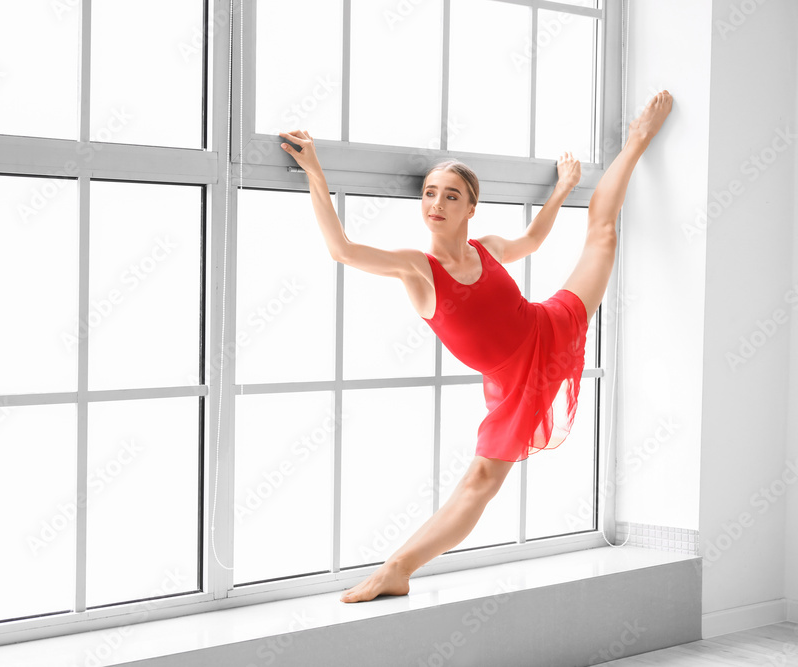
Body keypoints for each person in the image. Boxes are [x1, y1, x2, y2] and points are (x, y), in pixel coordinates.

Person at [278, 90, 673, 604]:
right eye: (428, 193)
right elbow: (342, 249)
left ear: (470, 207)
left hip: (547, 329)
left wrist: (563, 189)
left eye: (450, 196)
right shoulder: (418, 268)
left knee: (603, 234)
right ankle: (396, 568)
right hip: (514, 381)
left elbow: (531, 241)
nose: (436, 204)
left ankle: (638, 139)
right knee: (482, 482)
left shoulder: (487, 248)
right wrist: (315, 172)